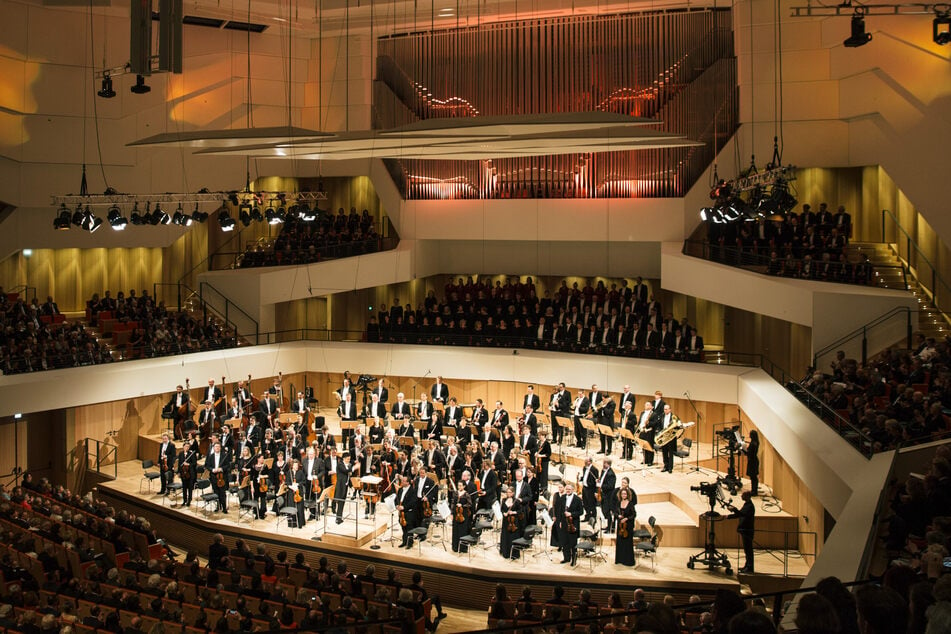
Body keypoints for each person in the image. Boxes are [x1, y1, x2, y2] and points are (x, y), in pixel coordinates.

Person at [728, 490, 755, 573]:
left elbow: (742, 514)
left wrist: (734, 509)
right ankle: (747, 566)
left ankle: (750, 567)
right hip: (744, 530)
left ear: (747, 496)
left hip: (747, 530)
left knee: (748, 550)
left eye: (743, 495)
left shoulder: (750, 506)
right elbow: (740, 514)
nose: (741, 496)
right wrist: (730, 516)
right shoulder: (747, 504)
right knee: (746, 550)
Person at [558, 482, 583, 566]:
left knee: (573, 543)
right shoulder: (563, 498)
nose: (568, 491)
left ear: (573, 490)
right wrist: (561, 521)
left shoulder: (578, 499)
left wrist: (571, 514)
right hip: (564, 523)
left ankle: (574, 559)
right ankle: (566, 558)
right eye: (567, 489)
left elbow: (581, 512)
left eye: (569, 489)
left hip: (573, 524)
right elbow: (561, 511)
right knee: (565, 542)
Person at [205, 442, 231, 513]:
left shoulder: (224, 455)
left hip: (222, 477)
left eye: (218, 447)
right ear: (214, 448)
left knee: (222, 493)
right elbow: (207, 466)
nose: (217, 448)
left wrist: (221, 469)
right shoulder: (211, 456)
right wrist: (212, 469)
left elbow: (228, 466)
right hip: (214, 477)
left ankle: (224, 507)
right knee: (216, 492)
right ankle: (217, 506)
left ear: (220, 448)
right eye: (216, 447)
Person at [499, 486, 524, 559]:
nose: (508, 494)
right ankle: (505, 552)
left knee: (513, 536)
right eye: (507, 492)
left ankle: (513, 553)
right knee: (505, 536)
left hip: (514, 522)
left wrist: (513, 512)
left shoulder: (516, 501)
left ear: (513, 493)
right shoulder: (503, 500)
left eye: (510, 492)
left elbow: (520, 511)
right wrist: (504, 513)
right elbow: (502, 509)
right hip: (506, 521)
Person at [614, 487, 636, 566]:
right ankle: (620, 559)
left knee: (627, 543)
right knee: (620, 542)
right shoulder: (618, 503)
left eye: (625, 494)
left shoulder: (630, 504)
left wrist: (626, 518)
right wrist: (618, 516)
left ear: (627, 495)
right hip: (620, 526)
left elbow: (634, 514)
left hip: (628, 526)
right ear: (620, 495)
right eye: (622, 494)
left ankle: (628, 561)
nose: (624, 495)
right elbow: (615, 513)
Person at [450, 481, 472, 553]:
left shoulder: (467, 494)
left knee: (462, 530)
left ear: (464, 486)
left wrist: (462, 505)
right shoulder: (455, 493)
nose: (459, 487)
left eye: (460, 486)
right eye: (458, 485)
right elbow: (453, 502)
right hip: (456, 513)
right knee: (455, 529)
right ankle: (455, 547)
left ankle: (462, 548)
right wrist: (452, 513)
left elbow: (470, 504)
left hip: (463, 514)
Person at [177, 440, 198, 507]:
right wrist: (179, 472)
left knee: (190, 487)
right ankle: (184, 500)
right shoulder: (180, 454)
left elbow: (194, 463)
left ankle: (189, 500)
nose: (187, 448)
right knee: (184, 488)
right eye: (186, 446)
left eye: (188, 446)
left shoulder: (191, 454)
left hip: (190, 473)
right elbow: (179, 464)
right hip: (183, 473)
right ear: (183, 447)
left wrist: (188, 464)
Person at [744, 429, 760, 496]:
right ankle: (754, 490)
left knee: (753, 477)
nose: (749, 435)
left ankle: (754, 491)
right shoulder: (756, 442)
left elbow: (749, 453)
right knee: (754, 477)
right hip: (754, 460)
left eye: (750, 434)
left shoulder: (753, 443)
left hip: (752, 461)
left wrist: (743, 449)